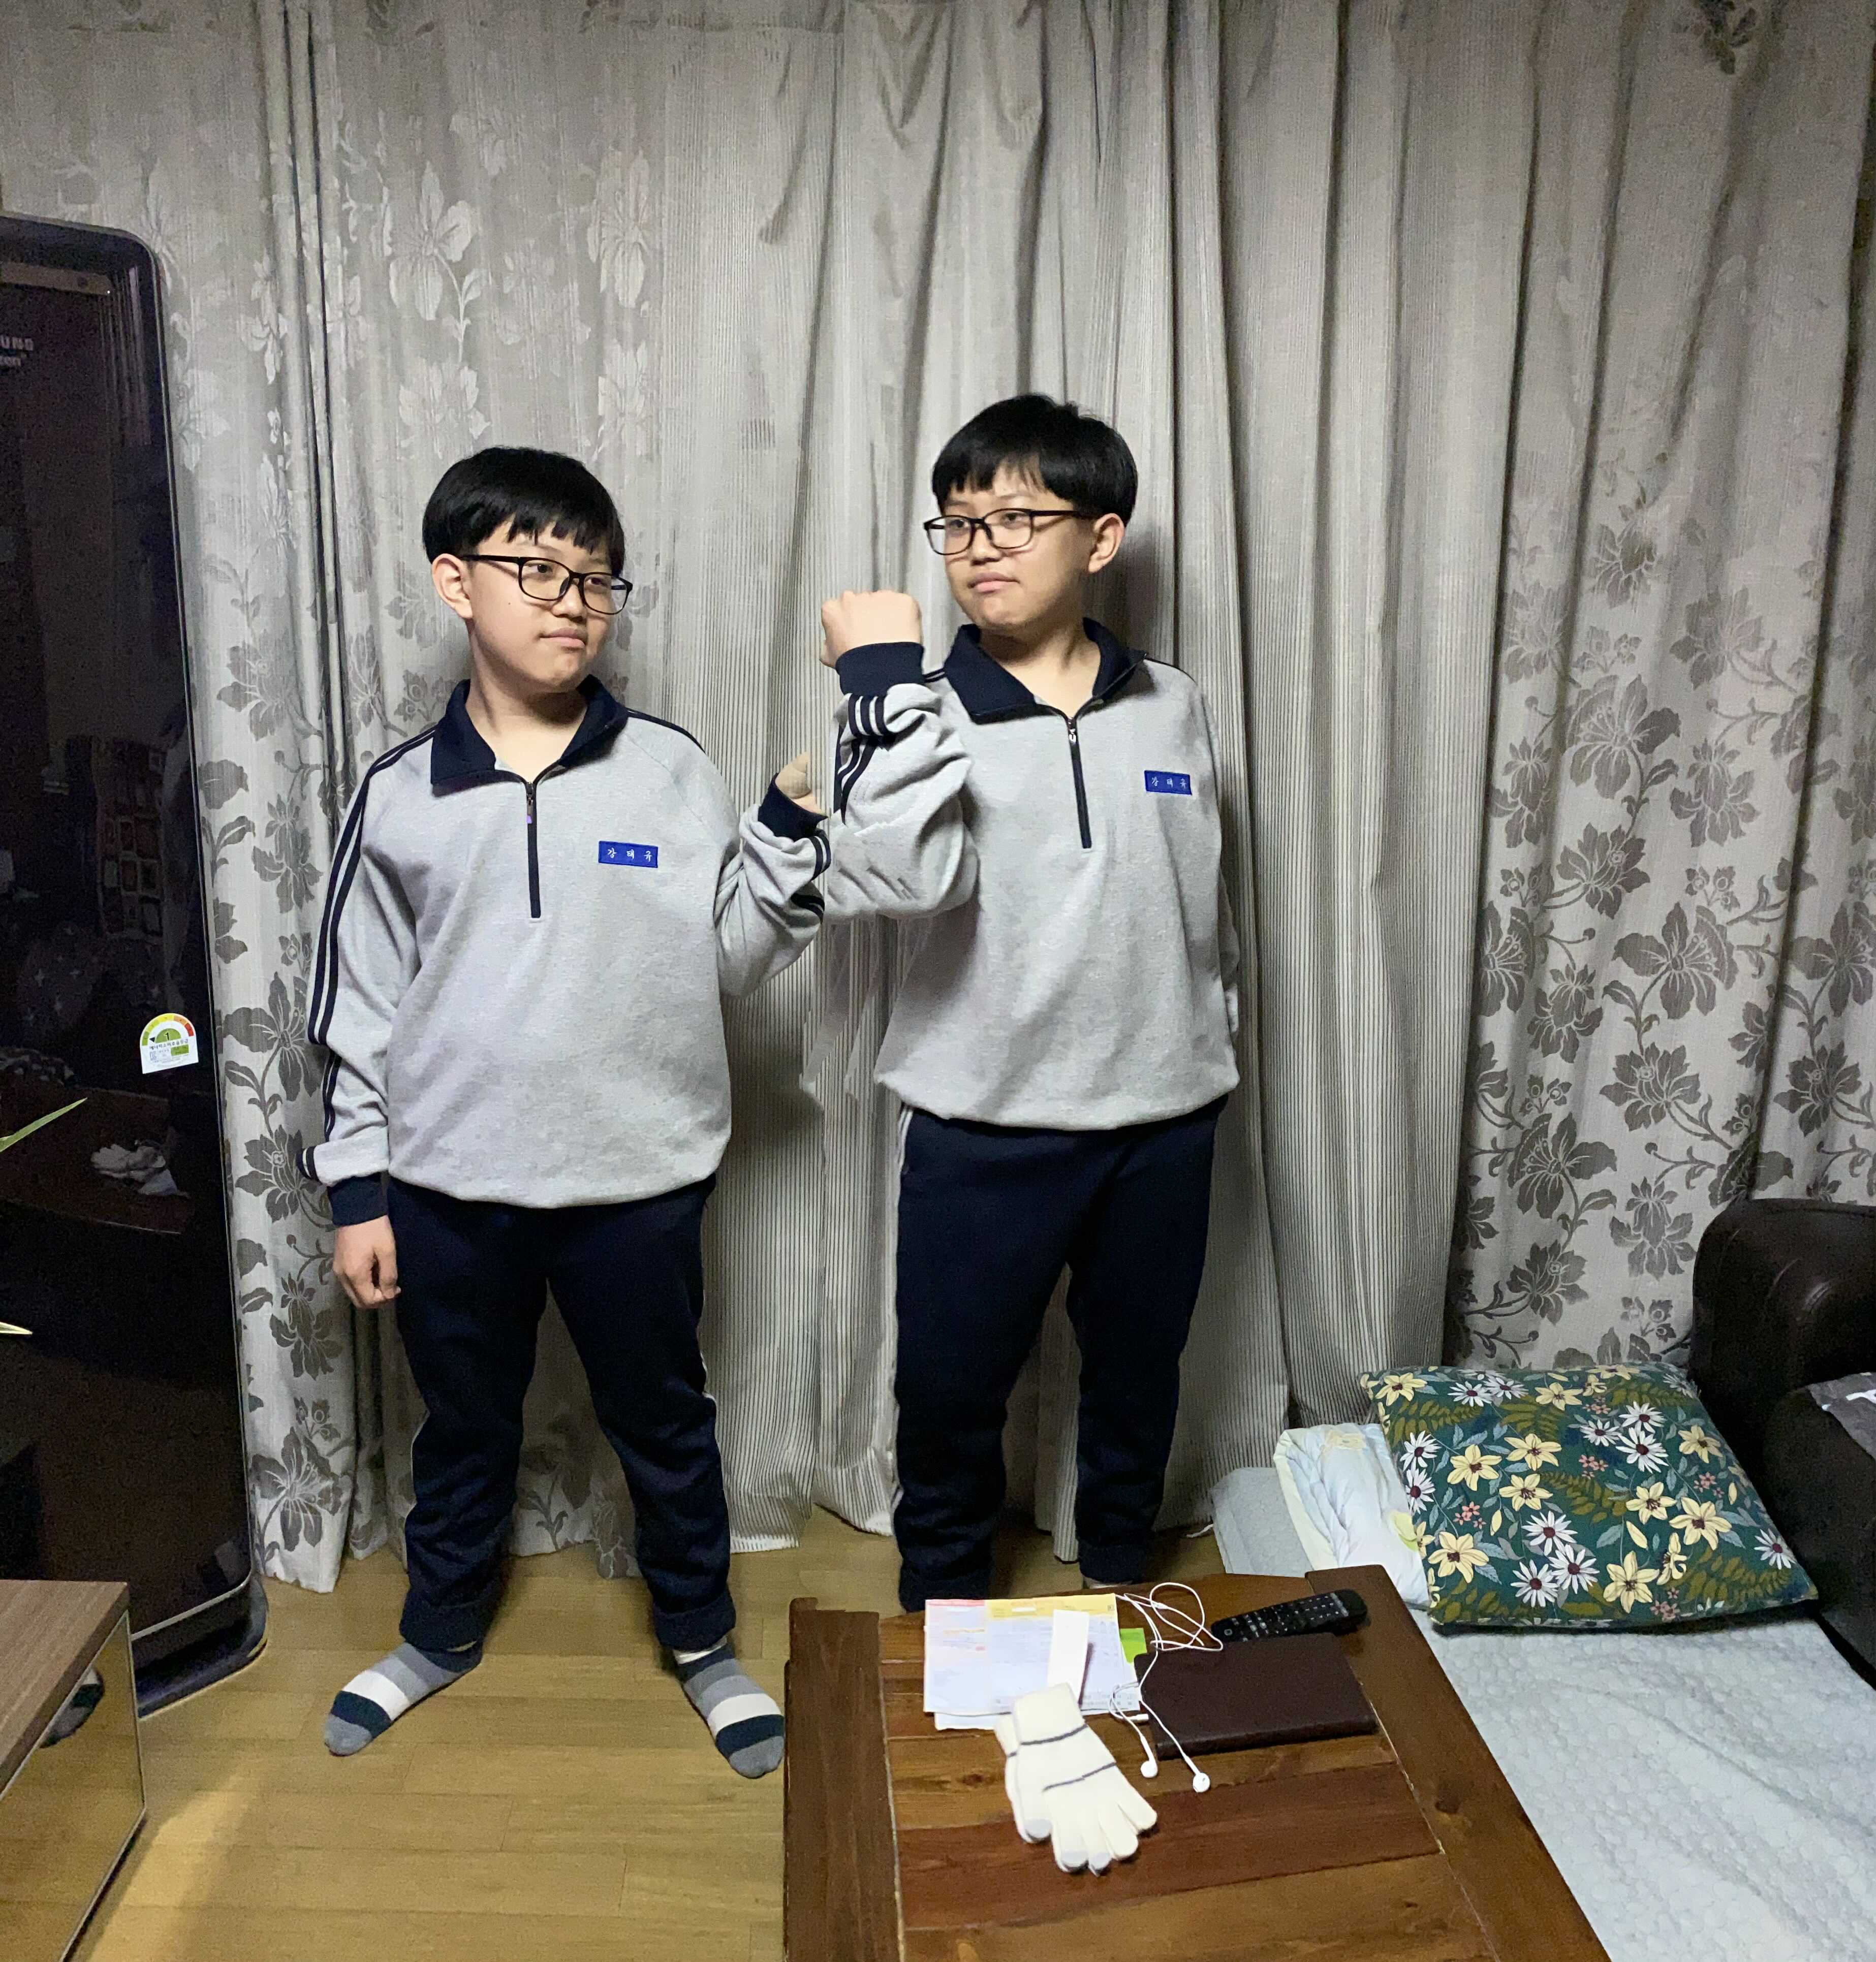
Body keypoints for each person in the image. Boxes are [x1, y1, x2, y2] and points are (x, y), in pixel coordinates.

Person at [303, 446, 825, 1778]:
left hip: (636, 1180)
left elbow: (733, 960)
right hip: (448, 1186)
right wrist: (358, 1189)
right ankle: (435, 1633)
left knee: (665, 1422)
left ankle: (702, 1640)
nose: (573, 602)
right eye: (537, 570)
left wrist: (783, 837)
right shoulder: (399, 794)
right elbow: (356, 1004)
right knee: (462, 1427)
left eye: (595, 579)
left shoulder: (667, 770)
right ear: (456, 581)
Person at [819, 394, 1241, 1612]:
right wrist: (875, 683)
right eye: (957, 523)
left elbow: (1205, 903)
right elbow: (896, 883)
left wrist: (1209, 1037)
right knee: (949, 1394)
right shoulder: (911, 708)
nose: (979, 547)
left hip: (1163, 1116)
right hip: (984, 1120)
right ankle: (941, 1612)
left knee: (1138, 1379)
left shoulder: (1173, 701)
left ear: (1100, 538)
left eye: (1015, 518)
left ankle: (1120, 1586)